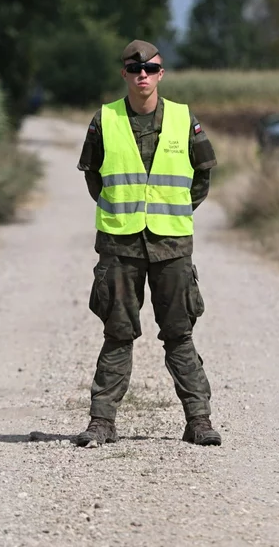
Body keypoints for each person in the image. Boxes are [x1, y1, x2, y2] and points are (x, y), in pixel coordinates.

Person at [74, 39, 221, 448]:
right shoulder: (103, 119)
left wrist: (173, 211)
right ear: (124, 73)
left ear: (161, 73)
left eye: (151, 69)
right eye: (135, 69)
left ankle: (199, 421)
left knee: (179, 333)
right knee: (118, 333)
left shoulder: (182, 117)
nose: (143, 75)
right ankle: (102, 423)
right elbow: (94, 178)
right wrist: (124, 211)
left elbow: (202, 174)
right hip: (120, 244)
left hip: (171, 245)